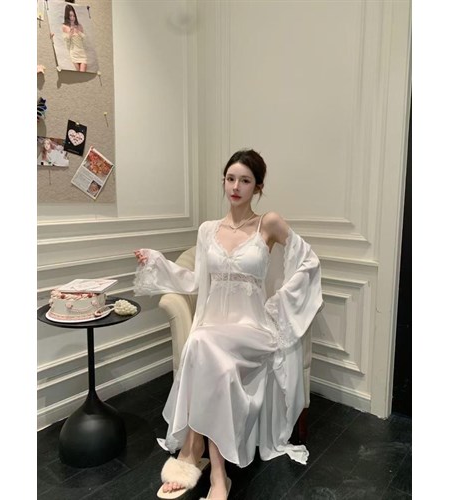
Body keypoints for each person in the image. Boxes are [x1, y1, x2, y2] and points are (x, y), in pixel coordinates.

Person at [133, 149, 323, 500]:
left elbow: (308, 261)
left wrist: (280, 302)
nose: (236, 186)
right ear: (224, 181)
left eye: (245, 180)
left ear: (258, 187)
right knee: (206, 348)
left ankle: (191, 453)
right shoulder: (208, 230)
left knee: (201, 345)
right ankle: (219, 476)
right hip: (214, 329)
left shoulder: (268, 223)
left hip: (253, 329)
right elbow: (196, 281)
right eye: (231, 178)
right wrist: (157, 262)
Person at [62, 4, 87, 72]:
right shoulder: (65, 27)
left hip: (82, 53)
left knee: (83, 74)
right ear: (67, 16)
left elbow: (84, 39)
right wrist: (70, 34)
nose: (72, 18)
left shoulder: (79, 26)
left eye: (74, 16)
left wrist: (78, 32)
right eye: (70, 16)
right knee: (76, 75)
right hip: (73, 53)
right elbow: (65, 42)